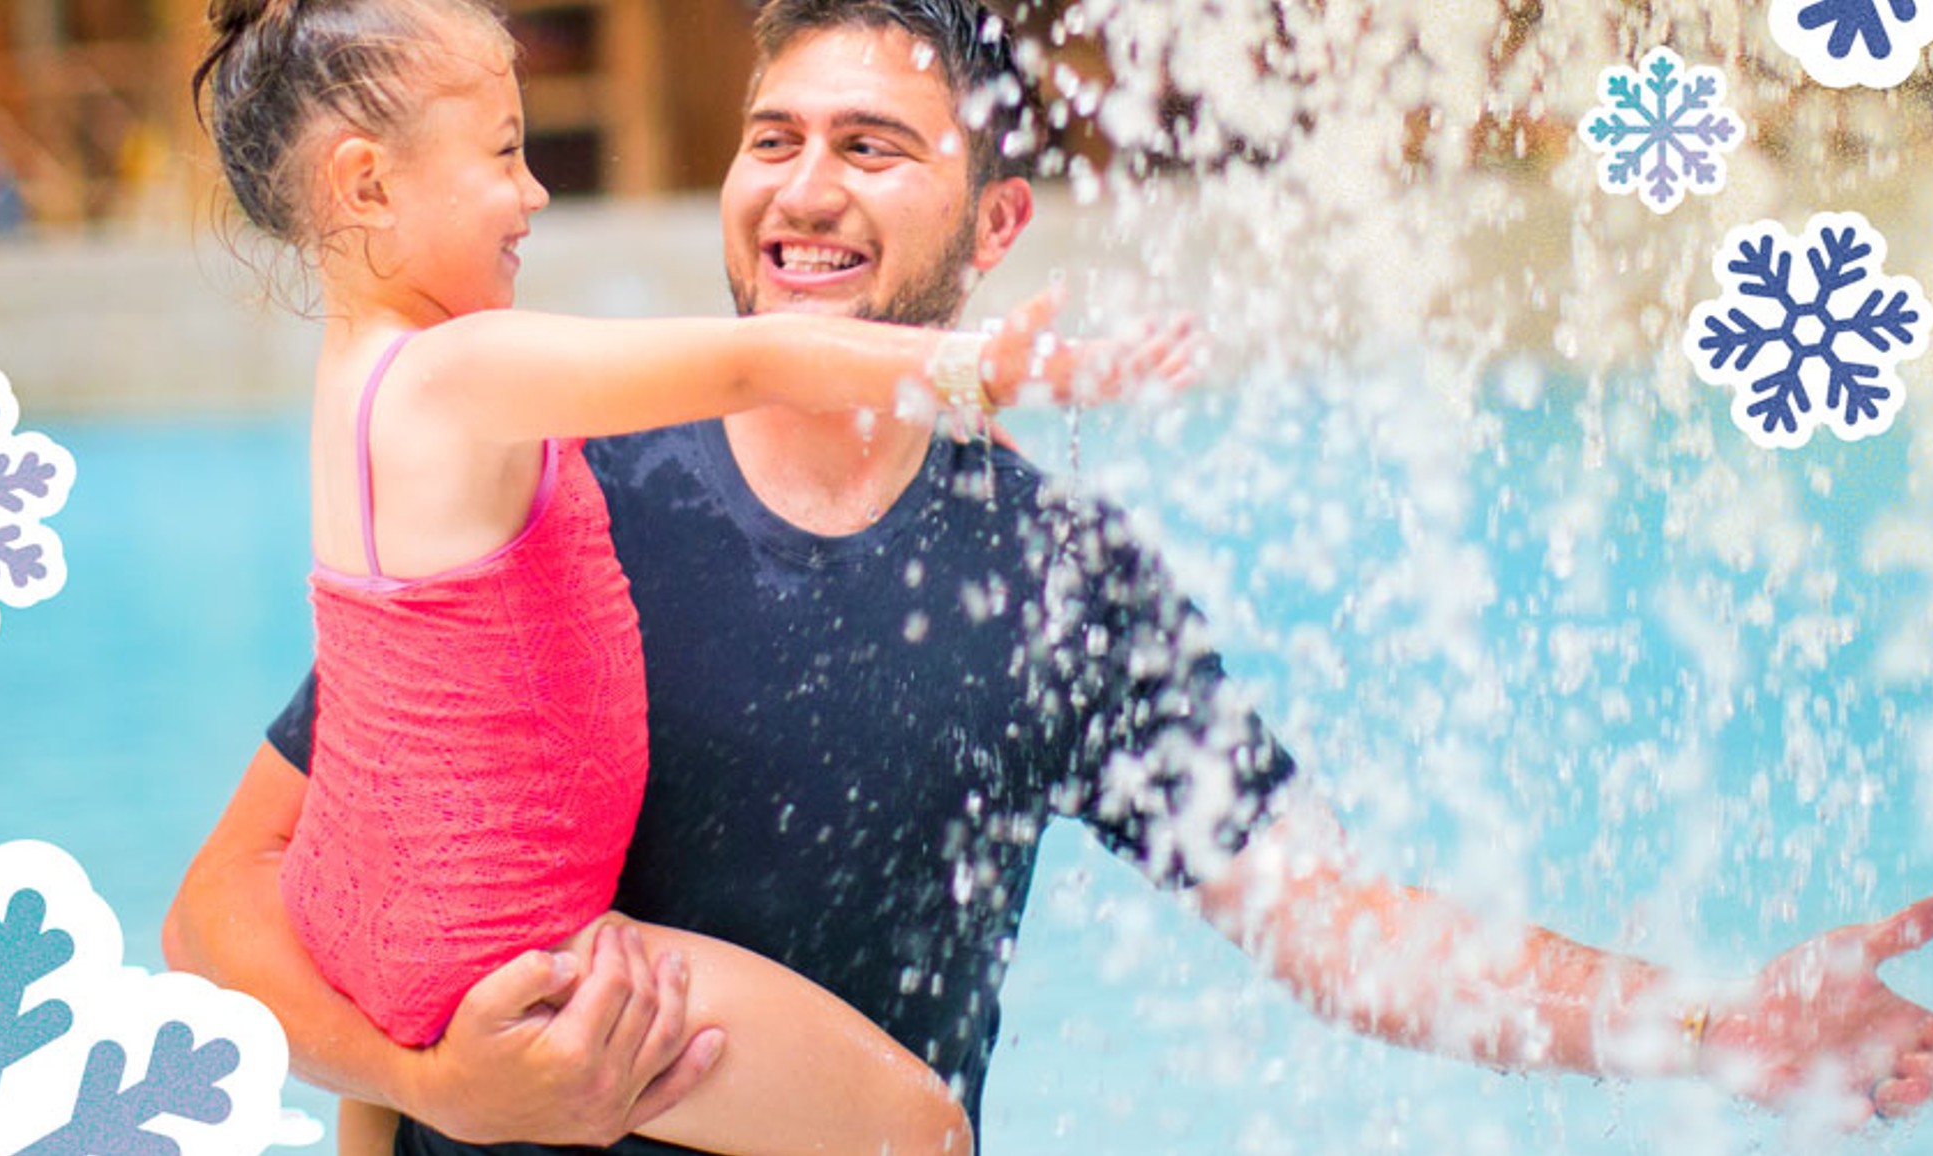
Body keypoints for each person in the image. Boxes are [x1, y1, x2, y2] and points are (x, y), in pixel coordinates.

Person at [165, 2, 1933, 1153]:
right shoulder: (558, 489)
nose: (802, 189)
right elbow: (233, 905)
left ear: (998, 227)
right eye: (771, 141)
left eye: (874, 149)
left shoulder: (1055, 580)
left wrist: (1706, 1021)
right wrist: (434, 1088)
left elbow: (1337, 930)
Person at [186, 0, 1192, 1152]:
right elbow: (751, 361)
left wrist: (929, 463)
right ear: (366, 186)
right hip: (520, 949)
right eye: (505, 152)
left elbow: (373, 757)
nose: (534, 192)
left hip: (370, 909)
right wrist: (968, 372)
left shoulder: (366, 387)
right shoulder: (460, 372)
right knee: (918, 1130)